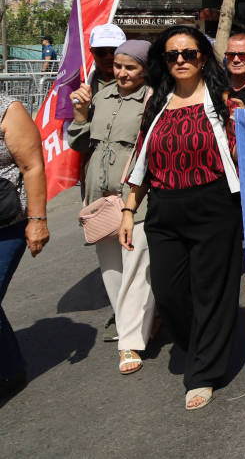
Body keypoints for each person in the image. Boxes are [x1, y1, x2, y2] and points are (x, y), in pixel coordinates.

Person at [119, 26, 240, 411]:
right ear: (164, 61)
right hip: (164, 208)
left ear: (203, 58)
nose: (181, 60)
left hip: (214, 206)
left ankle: (203, 372)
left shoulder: (225, 102)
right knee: (169, 292)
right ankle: (202, 341)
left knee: (211, 291)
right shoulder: (156, 103)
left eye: (189, 53)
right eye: (173, 55)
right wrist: (128, 210)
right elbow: (141, 160)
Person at [67, 39, 155, 376]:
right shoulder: (99, 96)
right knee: (111, 269)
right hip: (98, 194)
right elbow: (80, 143)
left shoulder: (153, 98)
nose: (121, 72)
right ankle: (132, 321)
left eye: (130, 67)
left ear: (145, 69)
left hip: (134, 193)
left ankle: (129, 341)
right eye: (118, 66)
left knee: (135, 265)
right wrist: (79, 114)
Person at [0, 90, 49, 400]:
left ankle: (10, 371)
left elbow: (33, 167)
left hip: (6, 225)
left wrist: (37, 219)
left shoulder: (7, 109)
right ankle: (11, 365)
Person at [90, 23, 128, 88]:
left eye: (114, 51)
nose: (108, 57)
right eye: (101, 51)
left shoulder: (139, 82)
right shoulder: (83, 81)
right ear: (92, 52)